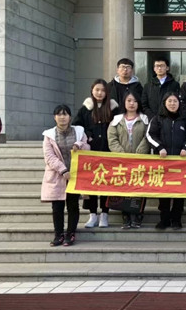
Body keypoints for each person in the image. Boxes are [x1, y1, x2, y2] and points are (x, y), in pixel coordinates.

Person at [73, 79, 119, 228]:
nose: (99, 93)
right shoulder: (86, 108)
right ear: (92, 91)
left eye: (103, 90)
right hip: (90, 152)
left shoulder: (114, 108)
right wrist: (88, 134)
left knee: (106, 183)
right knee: (91, 183)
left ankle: (105, 214)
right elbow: (77, 126)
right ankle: (92, 214)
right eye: (97, 90)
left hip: (108, 151)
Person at [41, 105, 90, 247]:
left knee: (73, 205)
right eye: (59, 114)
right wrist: (63, 170)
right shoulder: (49, 135)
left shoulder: (79, 132)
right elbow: (49, 157)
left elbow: (87, 148)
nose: (62, 117)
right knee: (57, 207)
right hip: (57, 175)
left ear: (70, 117)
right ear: (54, 117)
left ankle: (70, 233)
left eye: (65, 114)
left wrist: (79, 145)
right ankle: (58, 235)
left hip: (75, 175)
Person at [146, 92, 186, 230]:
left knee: (179, 192)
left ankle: (176, 219)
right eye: (169, 101)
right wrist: (159, 147)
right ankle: (164, 219)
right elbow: (150, 135)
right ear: (164, 103)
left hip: (181, 163)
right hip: (163, 163)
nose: (172, 104)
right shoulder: (157, 119)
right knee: (164, 191)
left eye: (175, 101)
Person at [107, 92, 150, 229]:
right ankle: (125, 216)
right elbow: (112, 139)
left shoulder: (145, 119)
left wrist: (139, 153)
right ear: (124, 103)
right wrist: (122, 154)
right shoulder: (116, 120)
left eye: (135, 101)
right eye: (129, 100)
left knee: (139, 187)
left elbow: (148, 137)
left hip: (140, 160)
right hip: (121, 161)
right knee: (123, 187)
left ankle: (137, 215)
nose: (132, 103)